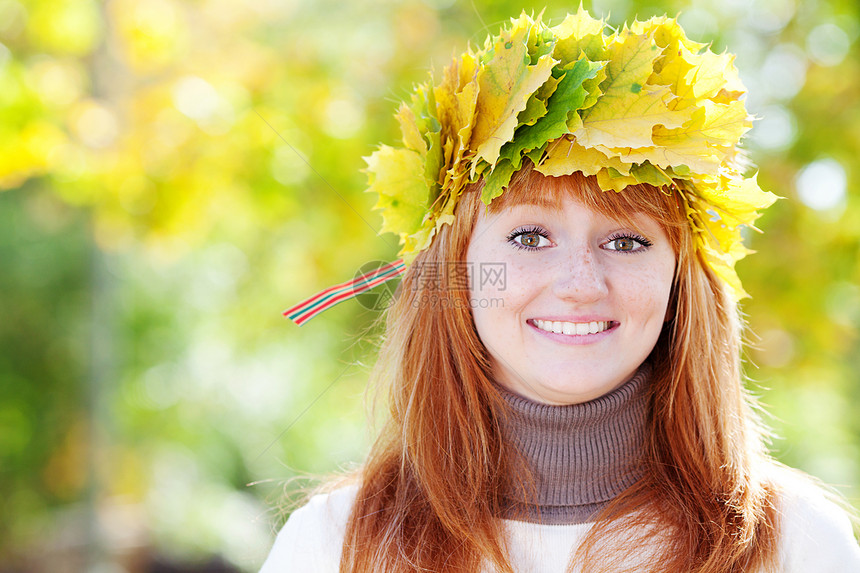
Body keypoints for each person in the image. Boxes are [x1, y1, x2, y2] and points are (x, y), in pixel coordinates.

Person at [263, 10, 860, 573]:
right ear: (459, 270)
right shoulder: (333, 546)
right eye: (528, 236)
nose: (580, 285)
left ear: (681, 280)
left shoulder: (797, 545)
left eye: (627, 242)